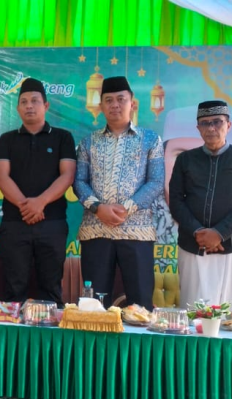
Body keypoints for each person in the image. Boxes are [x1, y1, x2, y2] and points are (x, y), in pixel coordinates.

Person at [73, 76, 164, 308]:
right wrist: (98, 208)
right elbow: (79, 181)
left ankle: (140, 334)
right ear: (101, 106)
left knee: (140, 304)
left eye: (121, 99)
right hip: (96, 231)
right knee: (94, 305)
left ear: (132, 103)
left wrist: (126, 208)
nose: (115, 105)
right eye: (109, 100)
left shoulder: (151, 139)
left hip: (137, 232)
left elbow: (156, 182)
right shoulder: (88, 142)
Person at [0, 78, 76, 306]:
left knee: (50, 291)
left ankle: (48, 331)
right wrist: (26, 206)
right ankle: (13, 331)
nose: (29, 106)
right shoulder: (7, 139)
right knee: (14, 290)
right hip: (14, 223)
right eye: (24, 102)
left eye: (35, 101)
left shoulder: (63, 137)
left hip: (52, 224)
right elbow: (1, 177)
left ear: (46, 105)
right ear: (17, 108)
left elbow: (67, 175)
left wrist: (40, 203)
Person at [169, 100, 232, 313]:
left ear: (228, 125)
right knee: (194, 313)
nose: (211, 128)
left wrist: (219, 234)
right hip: (193, 246)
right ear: (198, 128)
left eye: (217, 122)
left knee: (230, 316)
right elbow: (176, 201)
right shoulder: (185, 160)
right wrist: (199, 232)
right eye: (205, 123)